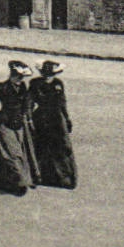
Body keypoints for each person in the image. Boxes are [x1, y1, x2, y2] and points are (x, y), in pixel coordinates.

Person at [0, 60, 38, 195]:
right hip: (4, 123)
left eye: (22, 77)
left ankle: (0, 180)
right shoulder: (2, 87)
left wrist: (28, 116)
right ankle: (21, 182)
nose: (20, 79)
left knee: (8, 152)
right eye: (17, 76)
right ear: (12, 74)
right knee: (13, 154)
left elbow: (29, 104)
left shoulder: (25, 88)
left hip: (19, 124)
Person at [29, 60, 77, 189]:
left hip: (57, 118)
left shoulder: (58, 83)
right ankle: (40, 176)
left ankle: (63, 178)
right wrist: (29, 119)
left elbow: (62, 102)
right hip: (41, 118)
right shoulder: (35, 83)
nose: (48, 76)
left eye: (50, 74)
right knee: (40, 146)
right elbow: (30, 102)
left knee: (61, 147)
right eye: (46, 73)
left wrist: (67, 119)